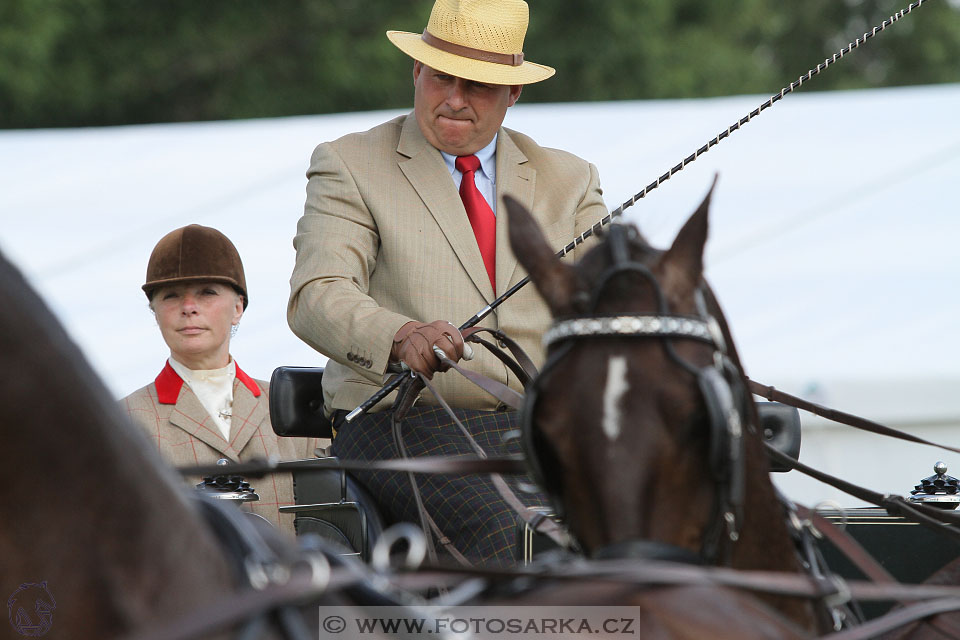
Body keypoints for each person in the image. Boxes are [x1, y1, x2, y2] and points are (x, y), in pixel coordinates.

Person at [288, 0, 606, 565]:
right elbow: (318, 294)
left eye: (479, 85)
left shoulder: (571, 178)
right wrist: (397, 334)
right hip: (403, 422)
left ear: (513, 94)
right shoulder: (350, 163)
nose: (454, 99)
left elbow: (612, 304)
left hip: (544, 431)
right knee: (523, 533)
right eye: (441, 77)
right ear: (417, 72)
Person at [123, 224, 317, 537]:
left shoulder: (299, 411)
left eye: (207, 293)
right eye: (171, 296)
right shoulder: (124, 421)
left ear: (238, 307)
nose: (188, 308)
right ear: (154, 311)